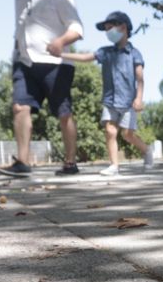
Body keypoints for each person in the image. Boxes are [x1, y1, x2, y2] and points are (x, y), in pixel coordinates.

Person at [0, 0, 84, 177]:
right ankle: (23, 162)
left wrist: (60, 41)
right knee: (20, 107)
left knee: (63, 112)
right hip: (24, 62)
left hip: (55, 63)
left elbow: (77, 28)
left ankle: (70, 162)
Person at [62, 11, 154, 176]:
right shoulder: (105, 52)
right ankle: (114, 166)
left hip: (128, 102)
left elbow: (140, 79)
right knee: (110, 131)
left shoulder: (134, 53)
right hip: (110, 100)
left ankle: (147, 150)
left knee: (127, 134)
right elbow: (85, 57)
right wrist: (62, 54)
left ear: (124, 27)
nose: (107, 32)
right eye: (106, 29)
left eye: (110, 27)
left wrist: (139, 98)